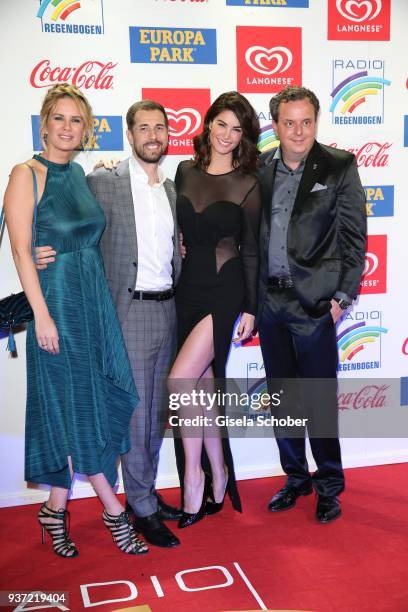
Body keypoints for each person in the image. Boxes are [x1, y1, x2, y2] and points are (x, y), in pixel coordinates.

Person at [4, 83, 147, 557]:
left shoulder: (82, 173)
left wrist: (105, 168)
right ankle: (113, 509)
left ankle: (54, 508)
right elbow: (22, 250)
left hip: (92, 301)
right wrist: (41, 317)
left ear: (86, 130)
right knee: (76, 403)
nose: (67, 127)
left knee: (88, 397)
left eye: (76, 120)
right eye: (59, 119)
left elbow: (85, 229)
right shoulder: (27, 174)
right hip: (57, 306)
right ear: (43, 124)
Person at [35, 99, 182, 548]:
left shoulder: (173, 188)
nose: (153, 135)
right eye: (144, 128)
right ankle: (140, 508)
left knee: (156, 415)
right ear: (130, 134)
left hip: (168, 309)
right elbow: (65, 216)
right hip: (126, 311)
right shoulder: (100, 180)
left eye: (160, 127)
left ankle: (146, 492)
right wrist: (44, 249)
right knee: (134, 416)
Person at [257, 86, 367, 523]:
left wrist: (341, 299)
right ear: (276, 126)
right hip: (269, 303)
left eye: (306, 121)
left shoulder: (339, 165)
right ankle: (296, 477)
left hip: (316, 305)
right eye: (289, 122)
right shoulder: (260, 168)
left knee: (319, 400)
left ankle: (329, 485)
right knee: (283, 398)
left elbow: (355, 240)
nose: (298, 131)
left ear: (316, 121)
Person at [168, 91, 261, 527]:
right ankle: (217, 472)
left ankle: (192, 480)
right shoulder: (184, 171)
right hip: (186, 288)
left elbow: (254, 250)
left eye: (237, 129)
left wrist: (251, 309)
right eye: (221, 124)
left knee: (180, 380)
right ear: (208, 125)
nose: (227, 135)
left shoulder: (249, 181)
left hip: (226, 291)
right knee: (200, 390)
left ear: (245, 136)